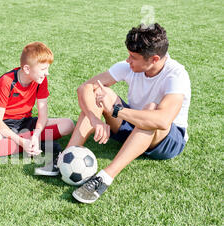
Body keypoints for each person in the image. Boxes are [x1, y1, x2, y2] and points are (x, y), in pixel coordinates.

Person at [66, 23, 191, 204]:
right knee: (100, 93)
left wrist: (116, 110)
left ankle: (105, 178)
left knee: (151, 110)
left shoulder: (176, 75)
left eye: (133, 57)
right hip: (134, 129)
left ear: (154, 59)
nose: (127, 60)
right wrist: (95, 119)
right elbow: (85, 88)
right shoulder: (129, 66)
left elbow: (163, 121)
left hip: (167, 141)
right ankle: (66, 156)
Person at [0, 41, 73, 175]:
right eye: (43, 69)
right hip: (4, 126)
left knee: (68, 125)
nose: (47, 73)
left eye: (47, 68)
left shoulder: (41, 80)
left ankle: (33, 142)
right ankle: (33, 144)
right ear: (27, 69)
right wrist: (22, 141)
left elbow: (43, 115)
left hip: (26, 122)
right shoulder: (6, 82)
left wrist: (37, 134)